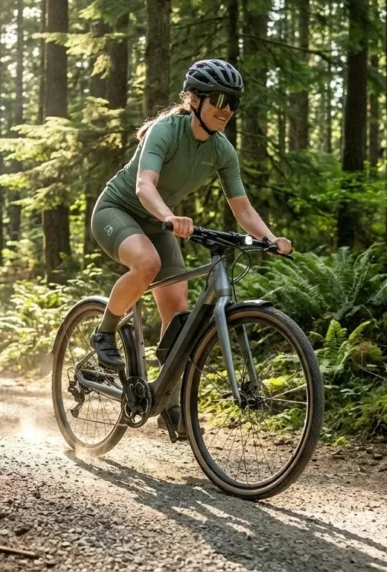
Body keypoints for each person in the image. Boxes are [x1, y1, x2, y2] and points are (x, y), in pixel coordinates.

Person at [88, 59, 293, 438]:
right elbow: (144, 185)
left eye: (233, 101)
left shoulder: (221, 149)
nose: (227, 108)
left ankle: (165, 396)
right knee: (147, 263)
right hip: (117, 211)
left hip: (158, 221)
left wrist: (270, 239)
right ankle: (105, 331)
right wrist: (171, 217)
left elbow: (242, 208)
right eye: (218, 98)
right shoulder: (166, 130)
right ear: (195, 99)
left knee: (177, 313)